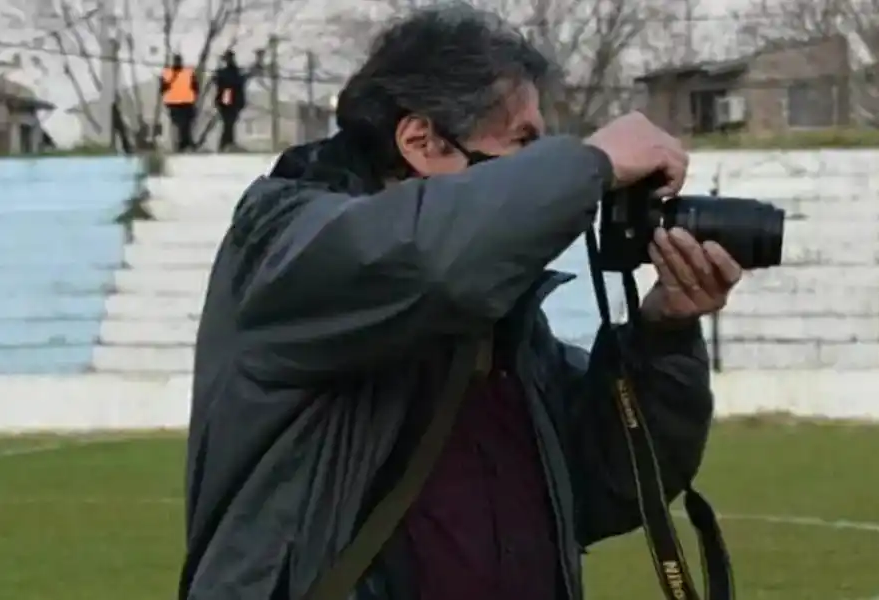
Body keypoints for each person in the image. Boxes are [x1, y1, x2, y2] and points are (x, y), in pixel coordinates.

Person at [178, 4, 743, 600]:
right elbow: (426, 258)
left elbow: (609, 485)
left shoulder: (499, 315)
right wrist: (590, 164)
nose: (537, 170)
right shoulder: (289, 243)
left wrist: (662, 334)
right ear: (420, 140)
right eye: (522, 143)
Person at [213, 50, 250, 151]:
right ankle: (226, 143)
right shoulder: (232, 72)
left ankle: (226, 143)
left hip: (231, 99)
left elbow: (221, 82)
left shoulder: (230, 72)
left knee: (229, 122)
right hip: (229, 99)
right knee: (228, 122)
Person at [160, 53, 198, 152]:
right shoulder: (173, 73)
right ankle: (185, 144)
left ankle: (185, 144)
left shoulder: (185, 73)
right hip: (178, 105)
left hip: (183, 104)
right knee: (183, 126)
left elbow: (195, 87)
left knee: (184, 126)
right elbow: (163, 89)